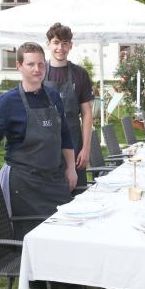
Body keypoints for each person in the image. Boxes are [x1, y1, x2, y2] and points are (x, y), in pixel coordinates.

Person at [0, 42, 91, 289]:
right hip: (25, 183)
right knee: (37, 235)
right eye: (30, 64)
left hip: (55, 179)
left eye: (41, 64)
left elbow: (64, 134)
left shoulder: (52, 96)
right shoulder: (8, 102)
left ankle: (67, 288)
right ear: (19, 66)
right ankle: (43, 286)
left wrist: (68, 168)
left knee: (68, 232)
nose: (37, 69)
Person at [43, 23, 94, 189]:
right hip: (45, 145)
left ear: (71, 45)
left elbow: (87, 114)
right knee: (49, 196)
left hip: (74, 143)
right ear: (49, 44)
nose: (60, 48)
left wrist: (86, 149)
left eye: (65, 43)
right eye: (56, 42)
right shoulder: (39, 71)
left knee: (77, 194)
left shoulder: (80, 74)